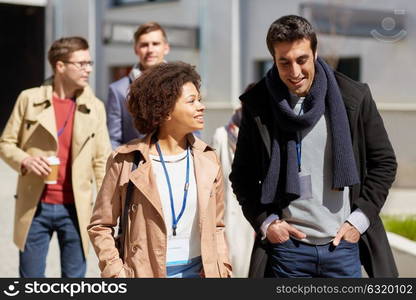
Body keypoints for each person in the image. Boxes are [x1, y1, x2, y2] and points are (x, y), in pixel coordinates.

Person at [230, 15, 398, 278]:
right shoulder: (258, 105)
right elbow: (242, 176)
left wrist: (359, 221)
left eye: (301, 60)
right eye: (284, 62)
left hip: (341, 245)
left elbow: (384, 163)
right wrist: (268, 223)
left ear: (315, 53)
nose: (295, 72)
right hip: (288, 251)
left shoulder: (353, 97)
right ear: (273, 59)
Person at [88, 62, 232, 278]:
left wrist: (221, 267)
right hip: (144, 273)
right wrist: (116, 273)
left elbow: (217, 226)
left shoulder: (208, 159)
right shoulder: (126, 161)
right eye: (192, 101)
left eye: (199, 100)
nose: (201, 106)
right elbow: (101, 225)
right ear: (164, 111)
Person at [0, 36, 111, 277]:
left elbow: (102, 162)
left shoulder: (95, 107)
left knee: (73, 282)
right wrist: (25, 160)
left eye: (89, 63)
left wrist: (106, 210)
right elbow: (6, 144)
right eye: (81, 63)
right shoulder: (28, 99)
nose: (89, 69)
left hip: (77, 209)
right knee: (31, 281)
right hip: (35, 207)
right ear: (60, 66)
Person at [212, 85, 256, 278]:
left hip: (262, 220)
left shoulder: (267, 133)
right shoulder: (222, 136)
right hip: (233, 218)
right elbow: (214, 185)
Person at [106, 22, 170, 149]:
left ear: (166, 48)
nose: (150, 50)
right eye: (144, 45)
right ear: (136, 49)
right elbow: (114, 140)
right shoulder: (118, 90)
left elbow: (192, 131)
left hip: (178, 163)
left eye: (155, 44)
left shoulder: (182, 85)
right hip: (138, 165)